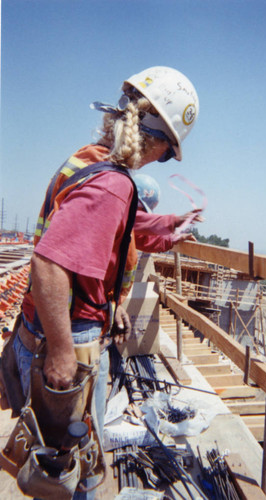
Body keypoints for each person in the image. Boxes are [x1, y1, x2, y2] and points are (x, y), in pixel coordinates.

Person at [13, 66, 199, 499]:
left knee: (69, 469)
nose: (162, 159)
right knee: (73, 481)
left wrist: (169, 225)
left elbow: (124, 226)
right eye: (169, 153)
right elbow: (49, 264)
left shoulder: (91, 159)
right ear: (155, 142)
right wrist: (62, 352)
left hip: (45, 325)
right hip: (64, 338)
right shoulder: (113, 185)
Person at [134, 173, 204, 253]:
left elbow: (146, 241)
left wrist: (173, 238)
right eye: (142, 211)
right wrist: (174, 221)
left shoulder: (130, 232)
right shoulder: (123, 217)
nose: (144, 215)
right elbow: (133, 220)